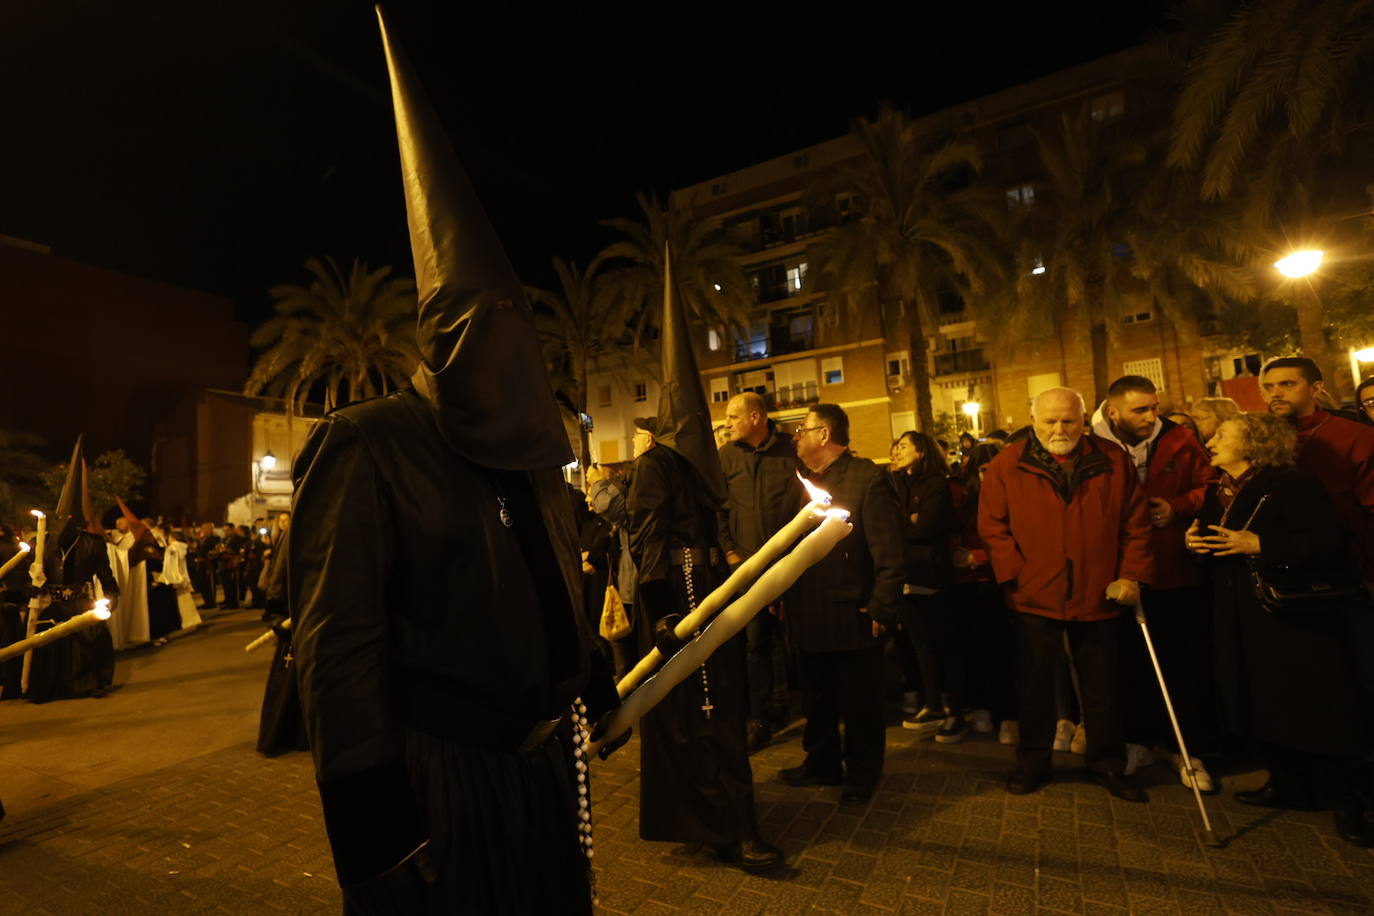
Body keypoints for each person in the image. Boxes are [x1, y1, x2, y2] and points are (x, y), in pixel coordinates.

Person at [290, 14, 618, 912]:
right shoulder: (369, 443)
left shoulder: (534, 449)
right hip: (445, 780)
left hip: (545, 770)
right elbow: (338, 650)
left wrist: (589, 665)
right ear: (437, 342)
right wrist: (377, 833)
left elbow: (549, 573)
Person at [627, 250, 781, 874]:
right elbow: (647, 539)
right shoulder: (655, 466)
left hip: (708, 584)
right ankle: (718, 824)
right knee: (697, 719)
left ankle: (726, 819)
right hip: (679, 594)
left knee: (721, 713)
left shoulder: (706, 463)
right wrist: (663, 609)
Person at [1186, 412, 1372, 846]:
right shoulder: (1221, 491)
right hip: (1240, 612)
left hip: (1293, 614)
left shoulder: (1292, 484)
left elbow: (1328, 544)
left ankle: (1348, 799)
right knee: (1263, 697)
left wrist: (1262, 544)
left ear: (1254, 442)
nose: (1210, 441)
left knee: (1313, 700)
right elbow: (1215, 544)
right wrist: (1194, 544)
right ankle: (1287, 782)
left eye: (1221, 434)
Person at [978, 388, 1153, 801]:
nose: (1059, 428)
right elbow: (992, 525)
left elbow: (1136, 524)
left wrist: (1131, 576)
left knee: (1103, 687)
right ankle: (1033, 763)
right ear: (1033, 419)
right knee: (1034, 687)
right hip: (1033, 596)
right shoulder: (1009, 462)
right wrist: (1016, 575)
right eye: (1050, 420)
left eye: (1068, 420)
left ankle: (1107, 764)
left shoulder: (1112, 460)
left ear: (1083, 418)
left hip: (1099, 593)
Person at [1092, 375, 1220, 790]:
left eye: (1154, 407)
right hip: (1118, 573)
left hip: (1175, 571)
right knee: (1125, 666)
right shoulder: (1093, 446)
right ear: (1113, 413)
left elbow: (1213, 485)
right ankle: (1135, 740)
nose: (1151, 417)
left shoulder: (1180, 438)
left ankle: (1186, 748)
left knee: (1183, 664)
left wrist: (1179, 506)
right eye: (1140, 410)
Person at [781, 404, 905, 805]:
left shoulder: (867, 478)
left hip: (854, 612)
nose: (796, 436)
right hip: (808, 609)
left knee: (860, 701)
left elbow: (889, 549)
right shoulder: (802, 481)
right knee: (817, 697)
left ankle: (863, 773)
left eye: (803, 429)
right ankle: (821, 763)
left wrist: (883, 606)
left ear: (824, 434)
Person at [1260, 357, 1374, 719]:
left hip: (1349, 574)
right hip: (1286, 576)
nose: (1275, 393)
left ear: (1315, 388)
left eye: (1287, 384)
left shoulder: (1355, 436)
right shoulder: (1262, 439)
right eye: (1269, 386)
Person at [717, 391, 804, 751]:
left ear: (756, 418)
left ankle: (796, 705)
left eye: (732, 417)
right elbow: (720, 510)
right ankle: (762, 716)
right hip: (748, 567)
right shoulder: (726, 457)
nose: (726, 424)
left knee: (797, 640)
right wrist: (732, 554)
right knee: (756, 644)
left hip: (794, 565)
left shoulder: (791, 451)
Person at [25, 440, 119, 703]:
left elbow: (105, 574)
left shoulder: (92, 543)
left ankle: (90, 683)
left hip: (81, 602)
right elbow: (31, 572)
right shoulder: (42, 543)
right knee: (47, 641)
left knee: (89, 640)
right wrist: (32, 587)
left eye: (67, 518)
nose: (61, 523)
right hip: (52, 603)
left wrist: (111, 597)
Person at [889, 431, 967, 742]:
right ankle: (932, 704)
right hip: (905, 577)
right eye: (896, 446)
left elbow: (924, 529)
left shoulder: (935, 484)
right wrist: (906, 519)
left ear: (921, 451)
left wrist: (906, 523)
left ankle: (956, 711)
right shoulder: (898, 484)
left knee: (947, 647)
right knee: (921, 646)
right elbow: (888, 522)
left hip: (931, 576)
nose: (897, 450)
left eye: (904, 446)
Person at [949, 442, 1017, 745]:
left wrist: (980, 555)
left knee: (1001, 651)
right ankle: (981, 706)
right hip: (966, 583)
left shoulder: (1012, 493)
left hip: (995, 580)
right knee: (973, 650)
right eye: (984, 470)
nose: (990, 475)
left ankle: (1006, 714)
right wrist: (957, 553)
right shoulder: (965, 500)